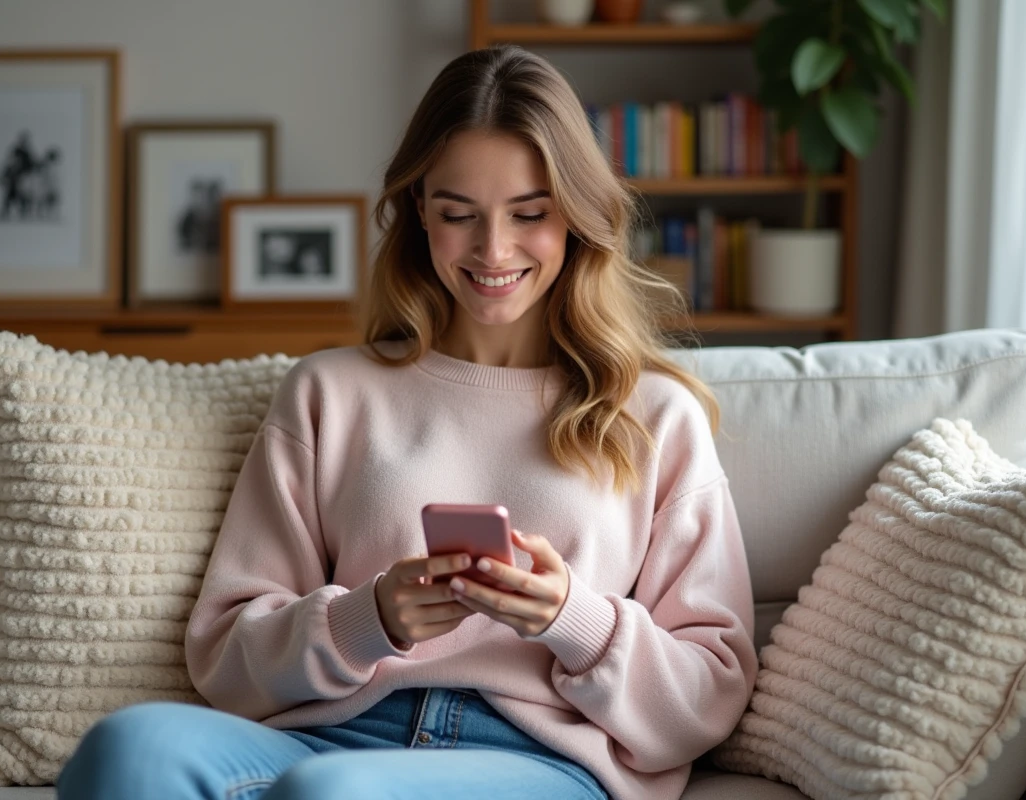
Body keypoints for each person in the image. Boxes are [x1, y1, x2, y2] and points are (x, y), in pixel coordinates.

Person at [56, 44, 758, 800]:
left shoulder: (652, 415)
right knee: (129, 750)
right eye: (459, 214)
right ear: (420, 208)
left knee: (336, 795)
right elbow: (226, 655)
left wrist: (573, 620)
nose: (494, 249)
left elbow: (709, 692)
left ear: (578, 217)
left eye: (530, 214)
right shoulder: (330, 392)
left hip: (537, 756)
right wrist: (368, 619)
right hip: (328, 735)